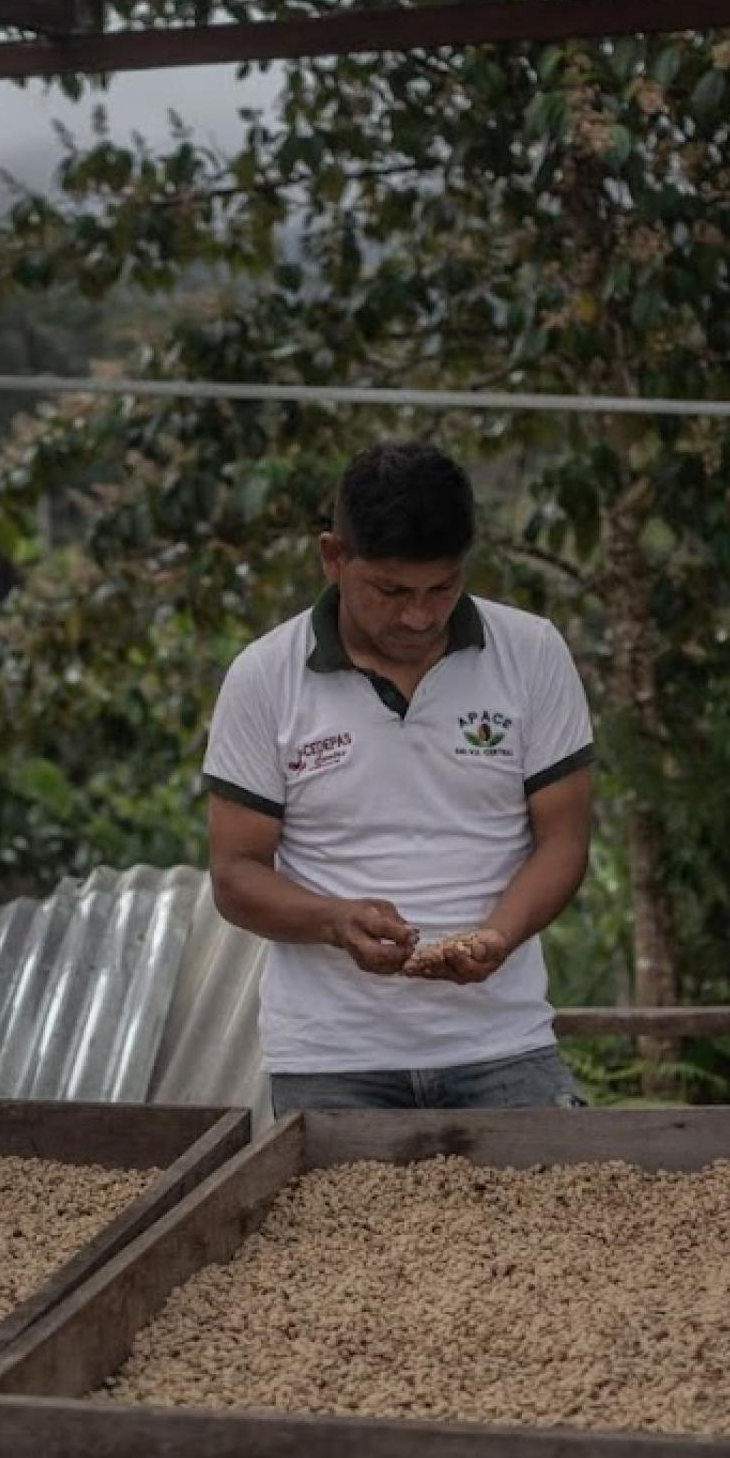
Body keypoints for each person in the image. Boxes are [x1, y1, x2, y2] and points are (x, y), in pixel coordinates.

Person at [202, 441, 595, 1111]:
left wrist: (497, 934)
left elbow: (562, 842)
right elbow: (235, 874)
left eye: (441, 587)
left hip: (502, 1045)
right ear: (333, 557)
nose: (418, 615)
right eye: (389, 591)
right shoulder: (263, 676)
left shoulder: (531, 652)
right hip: (331, 1060)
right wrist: (333, 921)